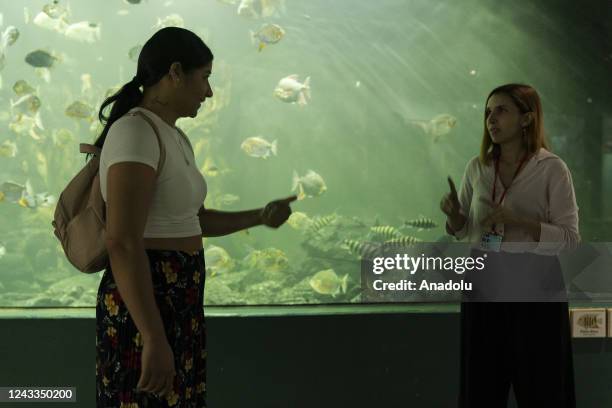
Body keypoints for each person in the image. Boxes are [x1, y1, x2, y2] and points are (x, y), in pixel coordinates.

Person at [94, 27, 296, 407]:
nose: (209, 91)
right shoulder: (135, 132)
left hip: (176, 301)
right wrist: (152, 336)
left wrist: (260, 216)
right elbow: (121, 241)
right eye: (204, 77)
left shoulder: (174, 136)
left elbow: (194, 221)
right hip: (146, 303)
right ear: (174, 73)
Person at [440, 83, 580, 407]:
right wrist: (455, 217)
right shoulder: (477, 167)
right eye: (488, 112)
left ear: (527, 119)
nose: (491, 119)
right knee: (481, 388)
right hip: (485, 282)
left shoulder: (552, 169)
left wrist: (519, 222)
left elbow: (571, 239)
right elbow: (463, 232)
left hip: (536, 286)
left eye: (501, 110)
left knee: (543, 387)